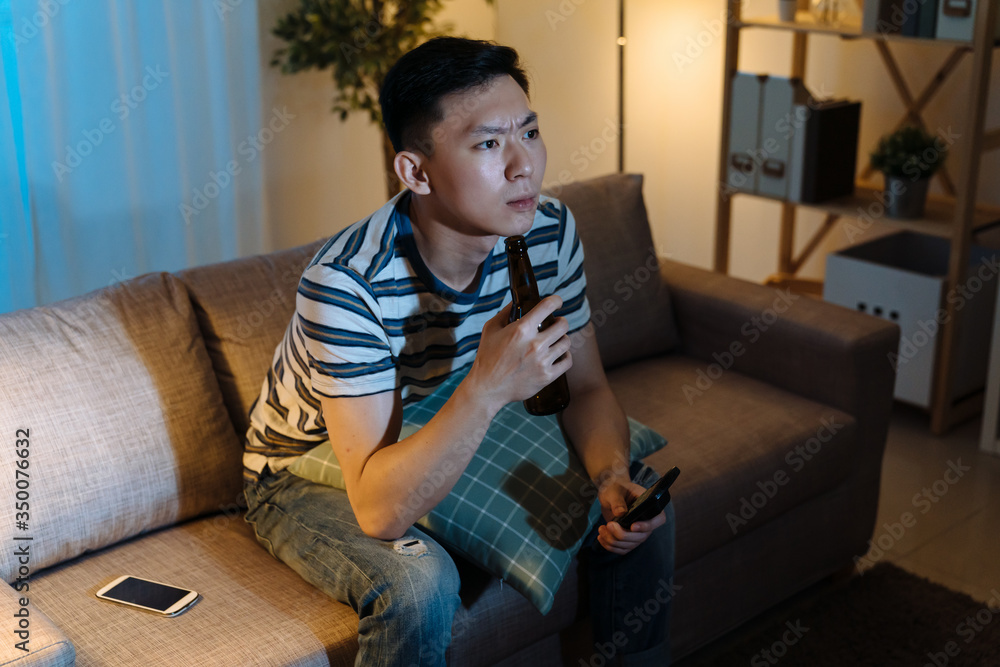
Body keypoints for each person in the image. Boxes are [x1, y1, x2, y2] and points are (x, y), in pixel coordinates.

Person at [242, 36, 675, 666]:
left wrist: (609, 477)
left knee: (639, 496)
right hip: (304, 467)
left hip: (439, 423)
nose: (523, 164)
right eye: (489, 144)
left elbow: (586, 390)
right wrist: (488, 387)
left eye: (529, 132)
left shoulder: (548, 229)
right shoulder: (347, 284)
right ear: (416, 171)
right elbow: (377, 508)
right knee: (420, 584)